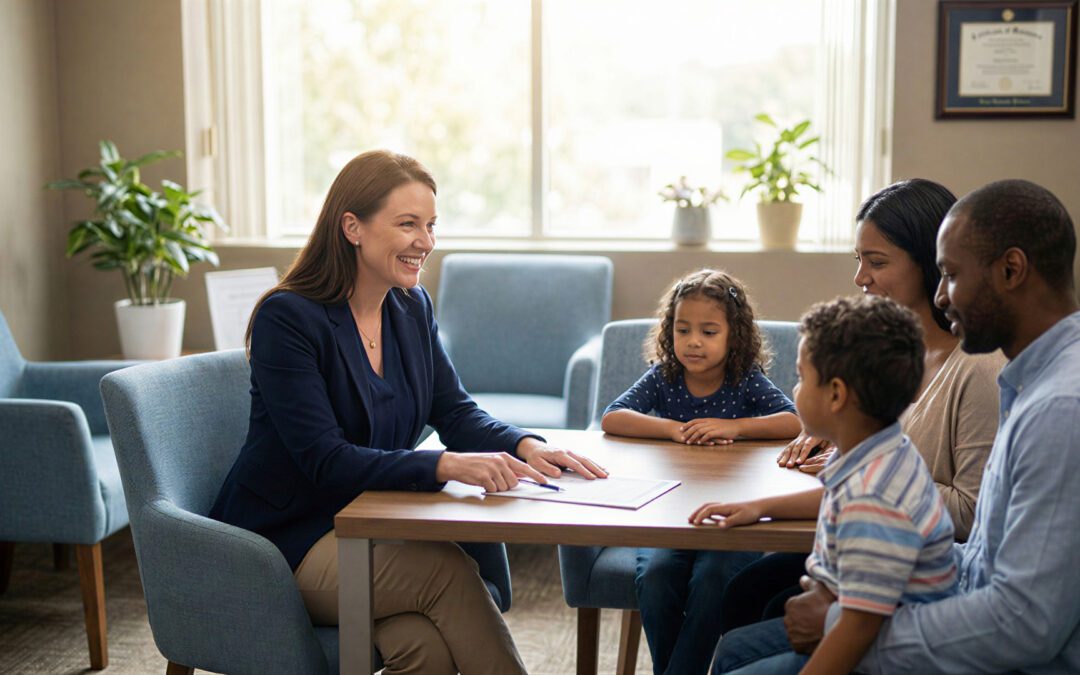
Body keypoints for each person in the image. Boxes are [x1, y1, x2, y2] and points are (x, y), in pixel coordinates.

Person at [209, 150, 607, 675]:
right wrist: (443, 465)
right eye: (408, 224)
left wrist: (526, 444)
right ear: (352, 227)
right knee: (445, 571)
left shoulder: (409, 307)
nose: (427, 241)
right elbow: (325, 461)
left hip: (371, 528)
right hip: (286, 539)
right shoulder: (289, 319)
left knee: (423, 648)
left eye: (432, 225)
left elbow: (453, 408)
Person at [722, 178, 1080, 673]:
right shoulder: (1033, 381)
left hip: (997, 659)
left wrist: (842, 624)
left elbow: (1023, 623)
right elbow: (978, 562)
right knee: (746, 611)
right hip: (948, 610)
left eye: (951, 275)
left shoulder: (1060, 407)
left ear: (1011, 270)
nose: (942, 295)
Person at [691, 294, 959, 674]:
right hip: (850, 615)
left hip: (883, 653)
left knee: (734, 663)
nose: (795, 391)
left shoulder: (874, 498)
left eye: (801, 378)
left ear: (835, 394)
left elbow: (858, 627)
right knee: (735, 643)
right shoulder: (878, 447)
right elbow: (833, 496)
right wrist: (761, 507)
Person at [602, 268, 801, 675]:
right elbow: (613, 417)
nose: (693, 342)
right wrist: (673, 429)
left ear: (734, 336)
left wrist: (736, 426)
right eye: (683, 329)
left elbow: (792, 421)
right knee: (656, 576)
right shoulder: (664, 376)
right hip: (669, 512)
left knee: (713, 578)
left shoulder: (744, 380)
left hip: (730, 515)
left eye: (709, 332)